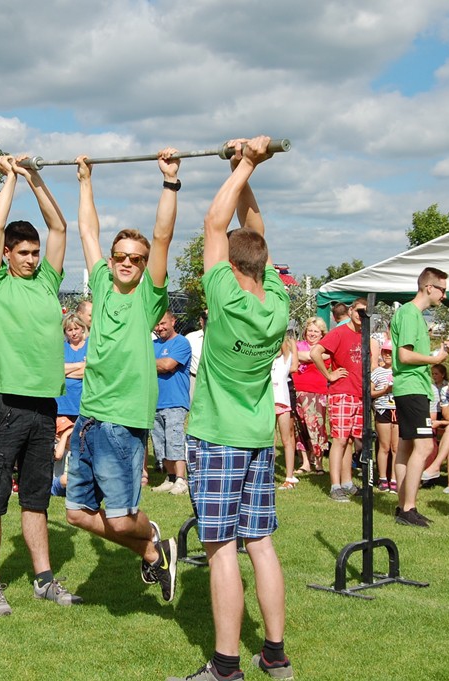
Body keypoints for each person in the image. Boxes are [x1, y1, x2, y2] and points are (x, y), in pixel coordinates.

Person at [168, 137, 293, 681]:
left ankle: (224, 667)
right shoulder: (279, 303)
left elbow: (215, 222)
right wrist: (254, 166)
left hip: (217, 435)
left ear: (233, 264)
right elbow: (250, 229)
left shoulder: (224, 293)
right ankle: (275, 654)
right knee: (260, 544)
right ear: (262, 265)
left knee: (221, 549)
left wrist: (243, 162)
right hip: (257, 435)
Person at [65, 148, 179, 605]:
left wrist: (169, 181)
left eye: (135, 257)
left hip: (122, 421)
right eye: (120, 256)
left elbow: (162, 234)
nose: (127, 262)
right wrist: (85, 179)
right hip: (88, 419)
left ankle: (148, 535)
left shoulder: (147, 297)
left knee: (117, 519)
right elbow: (87, 231)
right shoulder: (100, 282)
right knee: (76, 515)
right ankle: (155, 548)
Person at [0, 152, 79, 617]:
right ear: (8, 256)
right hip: (4, 403)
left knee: (36, 496)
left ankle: (42, 579)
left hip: (43, 405)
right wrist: (10, 180)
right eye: (25, 253)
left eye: (36, 253)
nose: (33, 259)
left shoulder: (46, 283)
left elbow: (59, 228)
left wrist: (36, 177)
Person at [391, 267, 449, 528]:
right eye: (442, 289)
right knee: (425, 447)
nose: (445, 296)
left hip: (413, 387)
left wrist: (439, 353)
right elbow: (405, 356)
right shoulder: (409, 313)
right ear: (429, 287)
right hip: (411, 388)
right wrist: (435, 358)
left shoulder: (415, 316)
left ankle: (403, 506)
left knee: (406, 447)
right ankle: (408, 508)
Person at [311, 298, 373, 502]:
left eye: (365, 312)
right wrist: (329, 376)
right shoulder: (339, 332)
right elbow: (315, 352)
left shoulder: (364, 335)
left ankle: (347, 482)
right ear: (351, 310)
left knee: (349, 440)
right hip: (342, 392)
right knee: (339, 439)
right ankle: (335, 485)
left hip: (359, 393)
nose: (360, 315)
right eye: (358, 311)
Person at [151, 310, 192, 495]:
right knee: (160, 443)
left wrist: (150, 363)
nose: (160, 328)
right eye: (157, 325)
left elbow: (168, 365)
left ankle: (182, 479)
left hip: (175, 401)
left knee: (175, 440)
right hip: (154, 402)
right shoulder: (151, 345)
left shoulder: (181, 342)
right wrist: (158, 364)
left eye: (163, 323)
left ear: (173, 321)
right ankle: (171, 477)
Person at [53, 313, 87, 494]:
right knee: (62, 442)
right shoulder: (61, 348)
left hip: (82, 404)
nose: (73, 333)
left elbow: (90, 371)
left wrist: (67, 370)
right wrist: (79, 367)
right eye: (69, 329)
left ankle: (79, 478)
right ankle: (59, 480)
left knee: (81, 442)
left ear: (82, 328)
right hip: (63, 404)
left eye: (76, 328)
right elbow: (55, 369)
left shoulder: (90, 346)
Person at [293, 317, 329, 475]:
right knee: (299, 426)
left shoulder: (326, 348)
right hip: (298, 390)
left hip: (318, 391)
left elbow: (309, 357)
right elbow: (302, 356)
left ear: (322, 334)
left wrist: (307, 356)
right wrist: (309, 356)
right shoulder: (296, 346)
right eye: (310, 330)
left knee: (317, 426)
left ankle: (319, 461)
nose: (312, 334)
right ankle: (305, 462)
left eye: (316, 331)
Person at [272, 337, 299, 490]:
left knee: (286, 439)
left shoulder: (284, 360)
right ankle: (268, 473)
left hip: (282, 403)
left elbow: (286, 347)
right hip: (268, 403)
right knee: (270, 439)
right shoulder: (266, 362)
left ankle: (289, 477)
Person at [371, 342, 398, 493]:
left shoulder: (400, 372)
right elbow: (370, 393)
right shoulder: (377, 372)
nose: (387, 355)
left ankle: (394, 478)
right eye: (385, 352)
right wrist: (385, 390)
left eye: (390, 352)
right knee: (384, 446)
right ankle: (382, 478)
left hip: (398, 410)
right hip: (383, 410)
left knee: (396, 447)